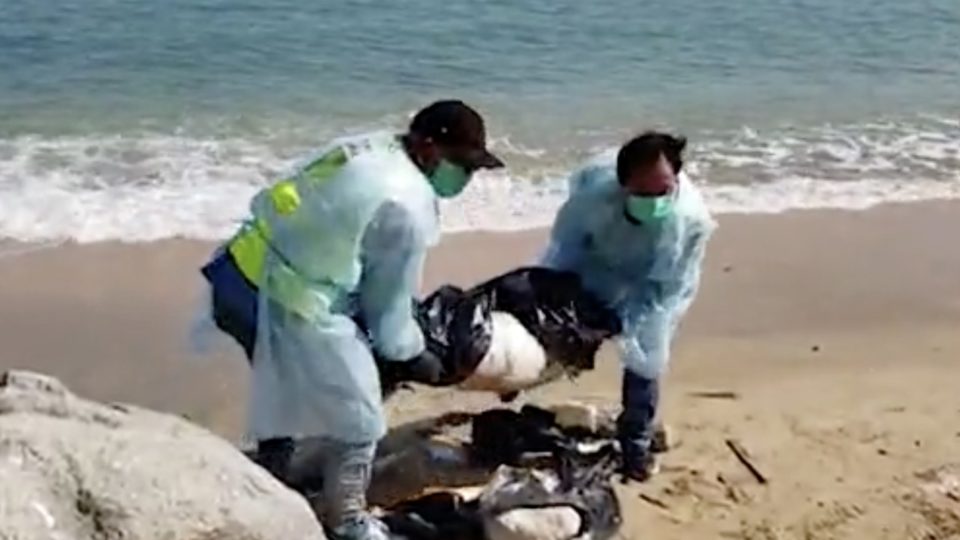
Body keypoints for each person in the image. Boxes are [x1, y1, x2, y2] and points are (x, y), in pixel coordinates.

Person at [198, 100, 504, 539]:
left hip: (237, 271)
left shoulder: (367, 148)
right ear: (429, 148)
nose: (467, 177)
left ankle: (273, 474)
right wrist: (418, 356)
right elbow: (391, 321)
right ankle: (348, 523)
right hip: (284, 297)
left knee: (281, 385)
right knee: (360, 421)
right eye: (463, 165)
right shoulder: (407, 206)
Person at [540, 132, 716, 481]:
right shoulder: (594, 198)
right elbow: (566, 248)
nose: (653, 200)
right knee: (550, 316)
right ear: (622, 184)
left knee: (645, 357)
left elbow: (666, 289)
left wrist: (622, 322)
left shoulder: (690, 221)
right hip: (600, 259)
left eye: (662, 191)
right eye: (642, 192)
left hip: (656, 281)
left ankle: (636, 444)